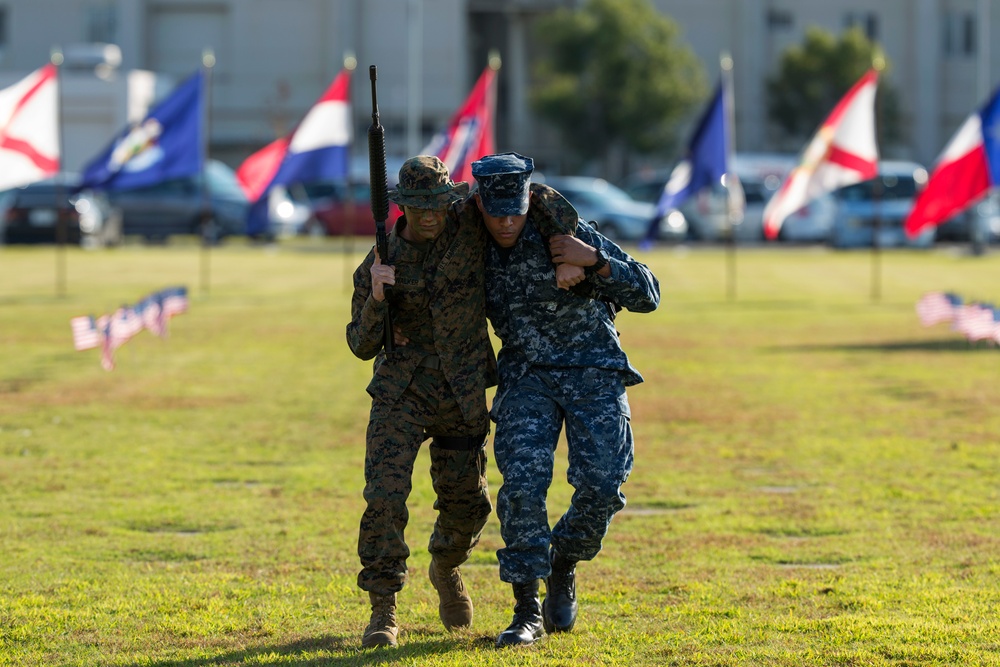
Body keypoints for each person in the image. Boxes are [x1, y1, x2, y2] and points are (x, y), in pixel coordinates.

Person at [469, 152, 660, 648]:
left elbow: (649, 292)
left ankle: (564, 561)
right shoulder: (467, 245)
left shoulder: (565, 232)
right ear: (481, 206)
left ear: (530, 199)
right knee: (523, 486)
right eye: (497, 212)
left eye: (516, 208)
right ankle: (525, 608)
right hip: (527, 375)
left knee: (602, 484)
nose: (508, 221)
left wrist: (591, 262)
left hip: (593, 369)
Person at [346, 155, 494, 649]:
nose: (432, 216)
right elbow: (360, 345)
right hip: (402, 392)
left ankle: (447, 566)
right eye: (420, 208)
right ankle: (384, 608)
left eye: (438, 206)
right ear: (402, 207)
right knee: (385, 497)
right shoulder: (380, 259)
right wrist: (376, 298)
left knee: (468, 502)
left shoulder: (470, 230)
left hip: (462, 387)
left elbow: (518, 202)